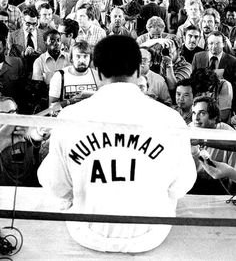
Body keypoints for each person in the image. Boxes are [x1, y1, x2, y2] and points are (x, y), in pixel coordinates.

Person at [38, 35, 196, 253]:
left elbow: (55, 184)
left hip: (86, 231)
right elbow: (182, 185)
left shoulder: (70, 116)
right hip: (151, 234)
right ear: (139, 70)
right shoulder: (170, 119)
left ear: (98, 72)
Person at [190, 96, 235, 194]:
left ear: (214, 117)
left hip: (219, 189)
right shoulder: (189, 130)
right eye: (194, 113)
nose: (196, 118)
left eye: (202, 113)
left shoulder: (229, 135)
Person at [192, 30, 236, 111]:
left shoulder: (232, 61)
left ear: (223, 44)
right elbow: (193, 81)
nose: (214, 46)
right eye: (211, 43)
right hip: (201, 102)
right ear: (207, 44)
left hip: (222, 104)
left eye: (218, 43)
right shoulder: (198, 57)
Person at [49, 40, 99, 108]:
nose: (82, 60)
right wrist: (71, 101)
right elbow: (51, 109)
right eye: (78, 56)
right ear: (71, 59)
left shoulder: (97, 76)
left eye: (85, 56)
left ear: (90, 59)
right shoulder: (59, 76)